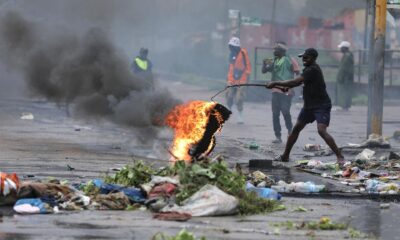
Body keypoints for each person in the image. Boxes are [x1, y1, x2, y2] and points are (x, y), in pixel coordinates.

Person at [266, 48, 345, 166]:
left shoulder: (313, 69)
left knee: (321, 130)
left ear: (313, 58)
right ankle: (285, 156)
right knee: (296, 129)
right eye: (302, 57)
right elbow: (301, 83)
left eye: (306, 57)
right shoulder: (308, 69)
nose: (303, 59)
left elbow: (295, 82)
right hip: (309, 106)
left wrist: (276, 83)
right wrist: (286, 87)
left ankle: (340, 156)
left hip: (321, 105)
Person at [262, 41, 300, 143]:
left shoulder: (290, 60)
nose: (274, 51)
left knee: (285, 111)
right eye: (274, 49)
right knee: (275, 114)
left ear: (282, 51)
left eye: (276, 50)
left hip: (287, 91)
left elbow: (297, 73)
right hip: (275, 90)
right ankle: (278, 136)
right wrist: (264, 64)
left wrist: (294, 85)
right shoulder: (273, 60)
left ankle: (290, 130)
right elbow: (264, 71)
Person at [226, 36, 251, 124]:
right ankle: (229, 109)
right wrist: (229, 78)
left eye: (233, 46)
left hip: (242, 79)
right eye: (230, 46)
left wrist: (247, 78)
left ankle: (240, 115)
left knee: (239, 99)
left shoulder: (243, 53)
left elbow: (248, 66)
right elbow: (230, 67)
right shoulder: (231, 54)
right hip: (231, 79)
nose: (231, 48)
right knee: (229, 96)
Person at [336, 41, 354, 110]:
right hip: (345, 78)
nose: (340, 49)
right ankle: (345, 106)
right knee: (345, 92)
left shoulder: (347, 56)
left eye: (341, 48)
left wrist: (340, 77)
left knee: (345, 92)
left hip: (345, 78)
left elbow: (344, 68)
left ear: (345, 48)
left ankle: (345, 106)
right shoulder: (348, 55)